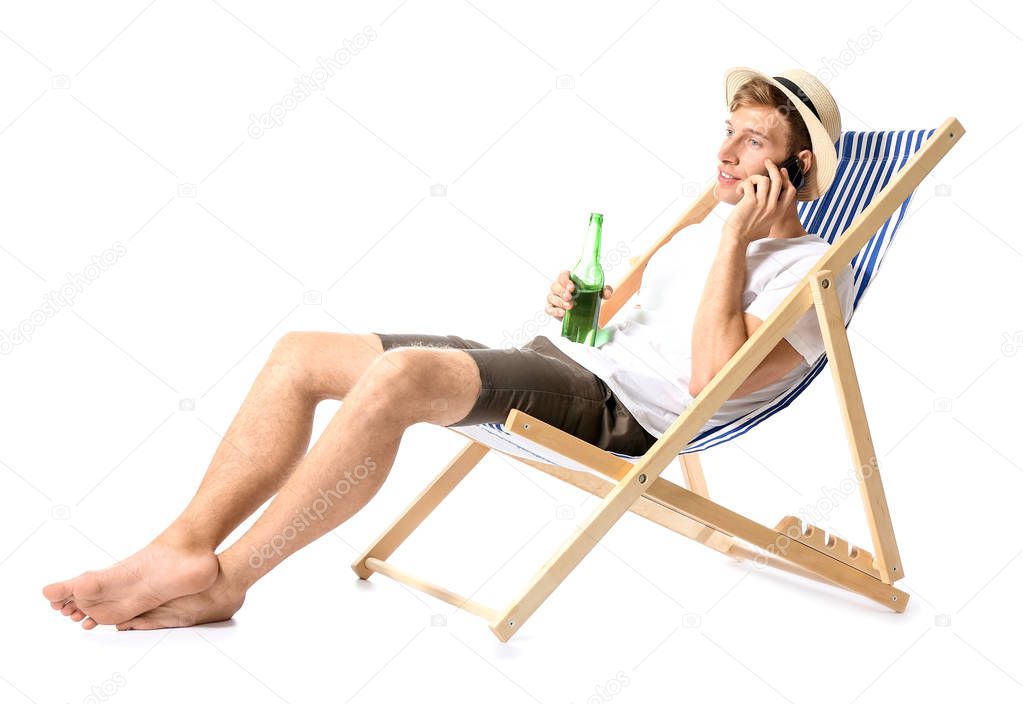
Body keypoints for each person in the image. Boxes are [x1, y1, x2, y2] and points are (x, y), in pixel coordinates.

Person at [41, 67, 854, 631]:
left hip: (617, 415)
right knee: (299, 353)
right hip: (564, 364)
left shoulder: (814, 277)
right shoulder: (713, 225)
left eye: (750, 142)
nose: (722, 153)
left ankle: (230, 584)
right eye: (726, 132)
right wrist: (580, 302)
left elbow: (711, 376)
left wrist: (733, 249)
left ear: (797, 166)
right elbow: (610, 317)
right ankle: (181, 547)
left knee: (399, 379)